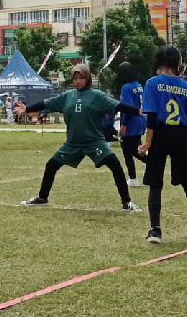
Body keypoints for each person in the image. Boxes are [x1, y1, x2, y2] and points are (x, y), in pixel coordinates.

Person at [16, 64, 142, 212]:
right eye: (75, 78)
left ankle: (127, 203)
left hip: (95, 142)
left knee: (115, 166)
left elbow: (119, 106)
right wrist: (27, 109)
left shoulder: (98, 96)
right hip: (72, 143)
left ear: (87, 78)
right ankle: (42, 198)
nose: (78, 81)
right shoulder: (67, 96)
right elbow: (46, 103)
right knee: (51, 165)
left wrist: (138, 111)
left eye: (81, 77)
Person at [139, 46, 187, 243]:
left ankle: (155, 230)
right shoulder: (186, 87)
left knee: (155, 184)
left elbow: (151, 115)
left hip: (159, 134)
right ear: (177, 63)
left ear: (158, 62)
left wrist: (148, 141)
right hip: (180, 135)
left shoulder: (153, 83)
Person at [118, 62, 147, 187]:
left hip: (131, 122)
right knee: (134, 150)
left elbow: (127, 108)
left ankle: (133, 178)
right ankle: (152, 164)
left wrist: (124, 125)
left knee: (127, 151)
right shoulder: (138, 85)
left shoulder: (126, 87)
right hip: (141, 121)